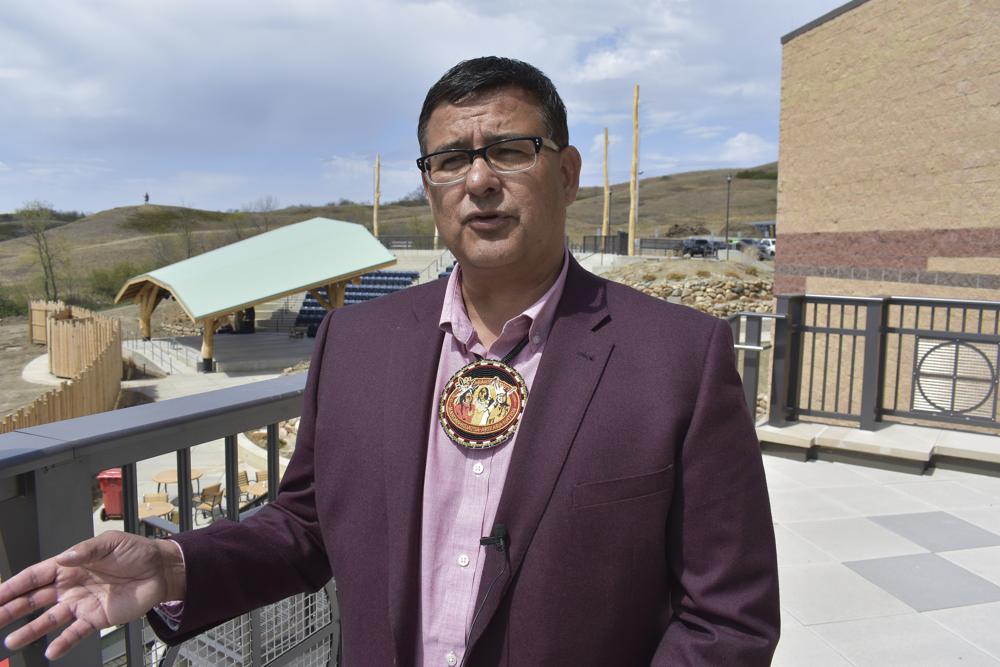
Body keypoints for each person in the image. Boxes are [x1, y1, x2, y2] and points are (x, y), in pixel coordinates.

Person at [0, 57, 779, 665]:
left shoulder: (675, 357)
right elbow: (306, 526)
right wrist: (173, 566)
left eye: (509, 150)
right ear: (430, 186)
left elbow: (729, 615)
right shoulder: (357, 343)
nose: (479, 181)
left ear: (567, 173)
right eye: (450, 160)